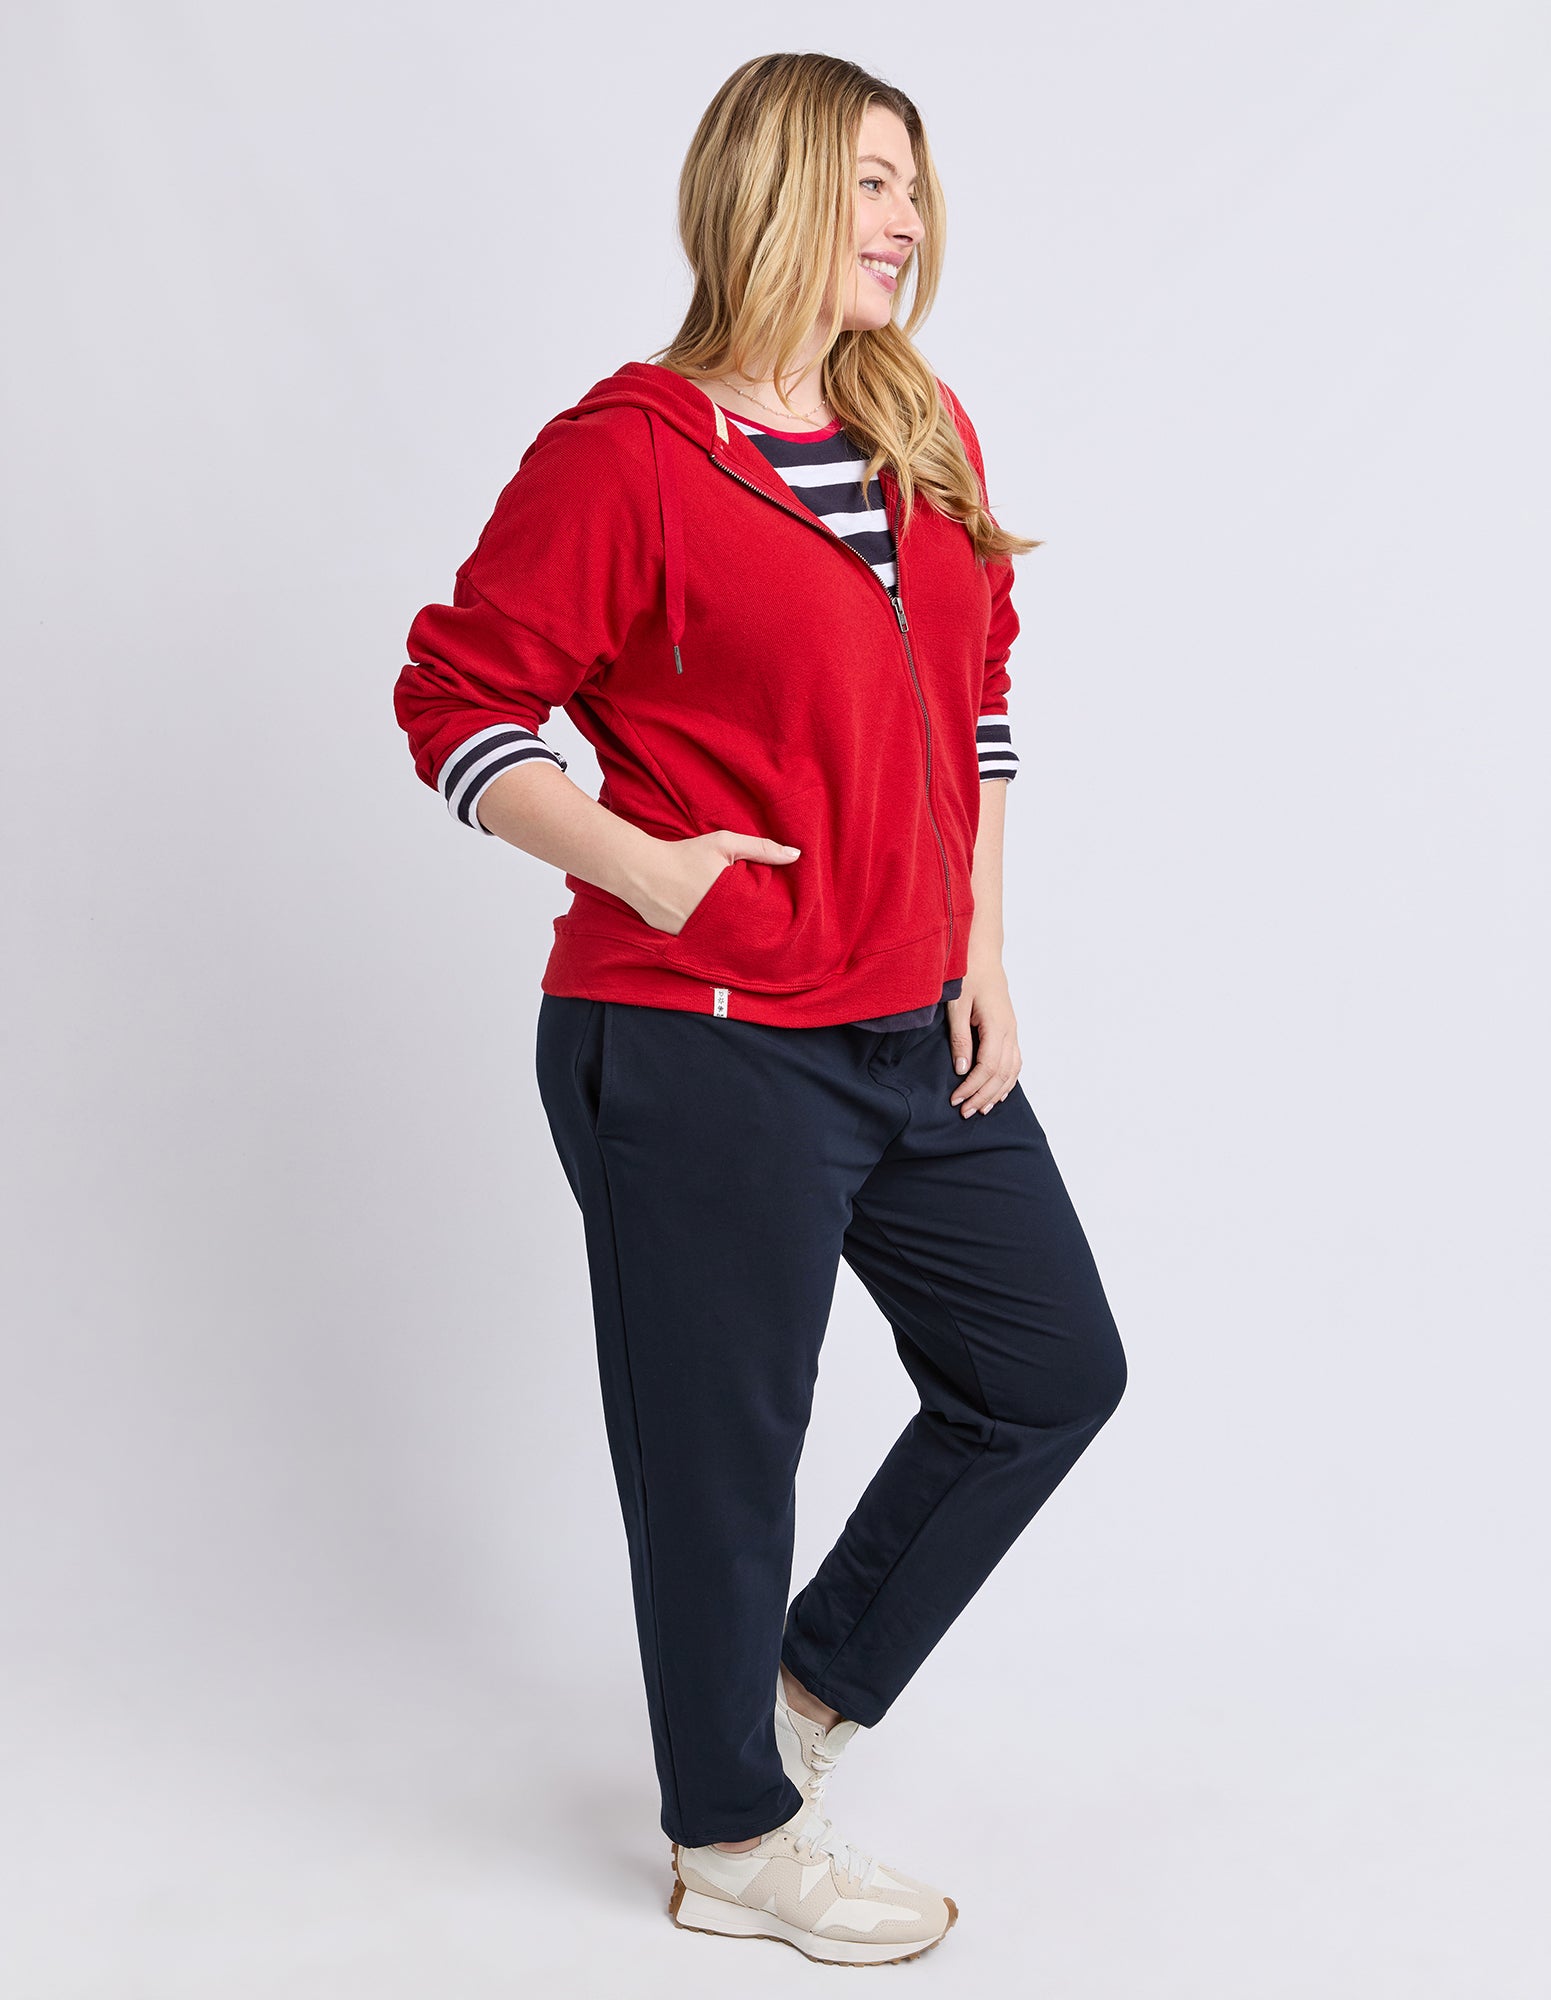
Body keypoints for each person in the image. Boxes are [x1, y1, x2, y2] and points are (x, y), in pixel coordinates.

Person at [393, 51, 1127, 1969]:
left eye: (915, 185)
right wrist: (641, 866)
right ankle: (727, 1834)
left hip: (908, 1023)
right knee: (723, 1462)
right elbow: (455, 701)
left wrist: (982, 953)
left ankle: (788, 1704)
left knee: (1048, 1372)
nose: (907, 218)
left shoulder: (919, 427)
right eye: (871, 181)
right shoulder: (628, 454)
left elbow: (978, 705)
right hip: (698, 1036)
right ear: (773, 191)